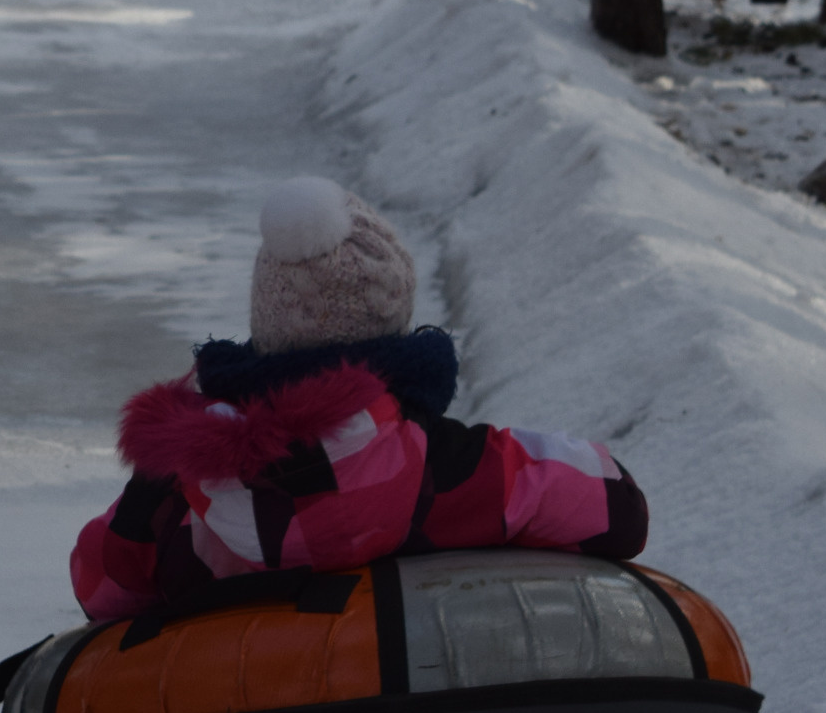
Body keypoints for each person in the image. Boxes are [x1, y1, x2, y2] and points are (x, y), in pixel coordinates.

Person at [69, 177, 647, 623]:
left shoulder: (176, 485)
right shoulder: (453, 468)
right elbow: (616, 506)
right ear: (393, 339)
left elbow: (98, 583)